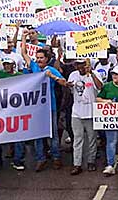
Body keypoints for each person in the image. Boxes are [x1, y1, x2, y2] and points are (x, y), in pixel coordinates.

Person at [21, 32, 70, 172]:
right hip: (37, 107)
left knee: (53, 133)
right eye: (37, 58)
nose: (39, 60)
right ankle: (40, 159)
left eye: (41, 58)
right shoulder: (35, 68)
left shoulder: (51, 69)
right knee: (38, 134)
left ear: (47, 59)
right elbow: (24, 53)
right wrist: (24, 38)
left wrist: (53, 76)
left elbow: (64, 83)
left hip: (50, 107)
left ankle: (56, 158)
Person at [68, 58, 102, 175]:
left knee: (92, 138)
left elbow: (99, 87)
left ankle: (91, 161)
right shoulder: (73, 75)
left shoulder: (95, 73)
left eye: (82, 64)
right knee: (78, 139)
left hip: (91, 112)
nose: (80, 67)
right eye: (77, 64)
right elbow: (69, 89)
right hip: (76, 112)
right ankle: (77, 164)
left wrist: (91, 73)